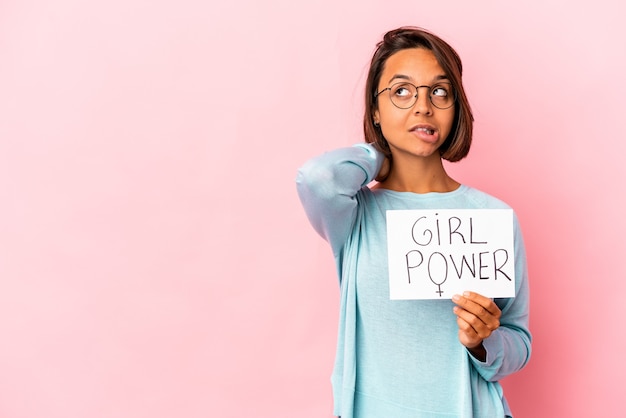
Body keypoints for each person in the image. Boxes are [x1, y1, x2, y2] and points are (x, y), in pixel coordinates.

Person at [295, 27, 531, 418]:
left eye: (439, 92)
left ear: (455, 107)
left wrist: (483, 342)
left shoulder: (494, 217)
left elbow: (519, 342)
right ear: (375, 108)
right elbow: (317, 176)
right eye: (402, 91)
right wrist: (379, 155)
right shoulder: (353, 214)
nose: (423, 107)